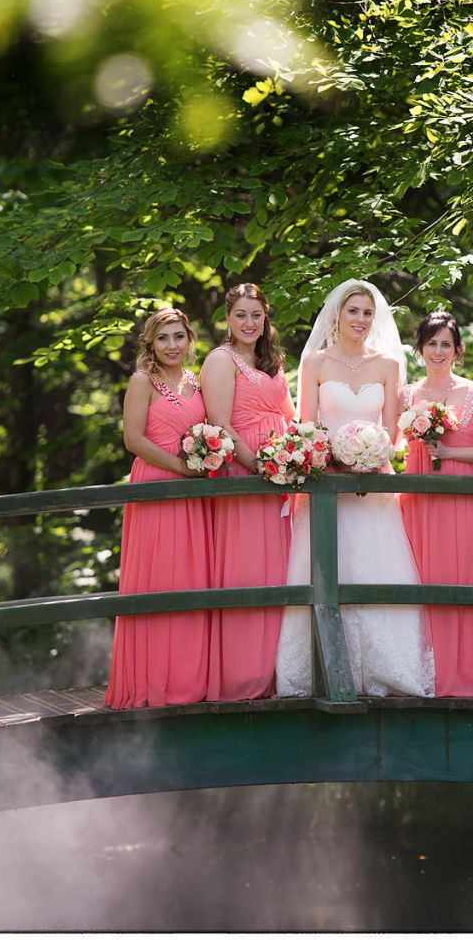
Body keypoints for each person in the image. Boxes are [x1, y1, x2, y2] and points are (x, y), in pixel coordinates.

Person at [275, 279, 435, 697]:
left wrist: (369, 454)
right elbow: (307, 427)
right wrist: (334, 456)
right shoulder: (316, 363)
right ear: (337, 315)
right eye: (353, 312)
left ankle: (384, 670)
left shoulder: (388, 364)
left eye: (367, 313)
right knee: (332, 569)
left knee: (375, 567)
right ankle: (322, 669)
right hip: (328, 486)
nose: (361, 320)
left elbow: (394, 435)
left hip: (373, 485)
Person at [400, 311, 473, 697]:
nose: (438, 350)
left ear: (457, 350)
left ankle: (471, 674)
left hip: (462, 500)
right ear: (420, 348)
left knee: (465, 579)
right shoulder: (408, 394)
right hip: (417, 503)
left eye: (445, 344)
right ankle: (425, 672)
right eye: (431, 343)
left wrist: (448, 451)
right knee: (421, 579)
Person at [105, 307, 210, 709]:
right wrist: (182, 467)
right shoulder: (141, 381)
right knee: (157, 578)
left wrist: (204, 459)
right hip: (155, 483)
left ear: (189, 340)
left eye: (178, 337)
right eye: (163, 338)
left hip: (192, 492)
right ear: (150, 342)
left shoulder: (195, 382)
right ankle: (151, 682)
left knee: (188, 577)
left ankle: (186, 679)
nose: (172, 345)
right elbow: (133, 439)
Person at [200, 283, 294, 700]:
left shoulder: (270, 361)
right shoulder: (220, 361)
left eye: (256, 315)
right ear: (228, 318)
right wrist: (258, 465)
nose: (249, 323)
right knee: (250, 568)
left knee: (282, 568)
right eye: (241, 315)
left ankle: (282, 670)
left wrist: (297, 455)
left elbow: (289, 415)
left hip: (282, 476)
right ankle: (243, 675)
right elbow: (220, 422)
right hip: (245, 476)